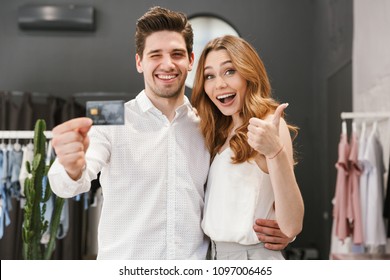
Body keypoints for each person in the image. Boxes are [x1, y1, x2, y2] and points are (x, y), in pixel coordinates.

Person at [48, 6, 292, 260]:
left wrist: (283, 229)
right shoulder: (110, 115)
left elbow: (237, 187)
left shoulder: (209, 123)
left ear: (190, 61)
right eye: (155, 55)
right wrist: (71, 167)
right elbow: (65, 184)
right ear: (139, 62)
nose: (167, 64)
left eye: (177, 54)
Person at [191, 35, 304, 260]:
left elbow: (291, 225)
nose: (219, 84)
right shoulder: (220, 132)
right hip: (215, 255)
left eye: (229, 71)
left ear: (248, 74)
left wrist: (275, 152)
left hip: (250, 258)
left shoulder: (268, 124)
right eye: (209, 76)